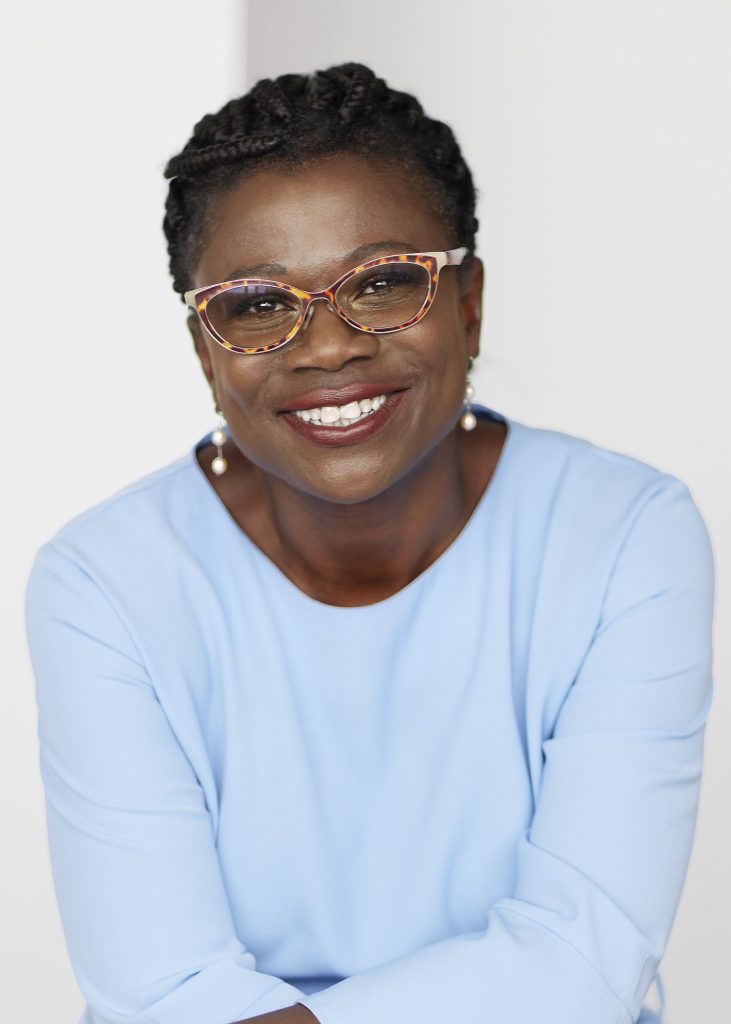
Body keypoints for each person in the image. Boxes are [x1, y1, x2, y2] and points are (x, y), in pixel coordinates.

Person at [23, 63, 714, 1024]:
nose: (326, 347)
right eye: (256, 305)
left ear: (468, 300)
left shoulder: (623, 533)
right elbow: (164, 994)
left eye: (385, 284)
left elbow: (580, 960)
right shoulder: (103, 581)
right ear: (203, 350)